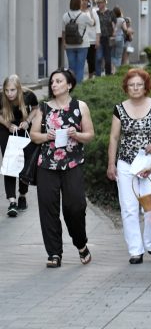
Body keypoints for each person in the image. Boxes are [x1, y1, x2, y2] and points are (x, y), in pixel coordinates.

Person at [29, 69, 95, 268]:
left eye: (58, 81)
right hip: (47, 165)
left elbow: (90, 135)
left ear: (69, 85)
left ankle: (81, 243)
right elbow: (33, 135)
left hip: (72, 163)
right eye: (52, 82)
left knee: (75, 206)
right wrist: (46, 136)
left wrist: (77, 134)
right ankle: (54, 253)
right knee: (48, 208)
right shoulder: (43, 108)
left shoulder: (80, 107)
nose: (54, 85)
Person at [106, 69, 151, 264]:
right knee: (129, 208)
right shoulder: (119, 108)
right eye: (132, 85)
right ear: (126, 87)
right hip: (126, 163)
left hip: (150, 163)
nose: (136, 88)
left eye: (139, 84)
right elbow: (114, 137)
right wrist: (111, 164)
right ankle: (135, 250)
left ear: (146, 86)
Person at [0, 75, 39, 216]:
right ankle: (12, 202)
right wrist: (8, 124)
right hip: (6, 129)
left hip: (24, 129)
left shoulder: (28, 95)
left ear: (19, 89)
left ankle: (22, 195)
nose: (9, 94)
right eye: (7, 90)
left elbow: (35, 108)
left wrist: (28, 121)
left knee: (24, 163)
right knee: (9, 163)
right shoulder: (1, 97)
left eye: (12, 90)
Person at [62, 0, 96, 83]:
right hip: (82, 44)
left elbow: (63, 31)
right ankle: (79, 87)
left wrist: (64, 43)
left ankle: (72, 85)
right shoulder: (84, 15)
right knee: (80, 67)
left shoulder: (65, 15)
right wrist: (91, 13)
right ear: (79, 4)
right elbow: (93, 23)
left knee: (71, 66)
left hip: (69, 44)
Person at [94, 0, 115, 77]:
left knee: (108, 58)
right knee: (98, 57)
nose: (99, 4)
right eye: (98, 3)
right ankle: (98, 75)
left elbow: (114, 23)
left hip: (108, 37)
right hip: (99, 37)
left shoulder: (110, 12)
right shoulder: (96, 13)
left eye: (101, 2)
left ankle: (108, 75)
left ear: (105, 3)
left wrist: (114, 32)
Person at [81, 0, 100, 79]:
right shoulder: (78, 12)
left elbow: (97, 25)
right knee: (82, 59)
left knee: (91, 59)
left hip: (91, 39)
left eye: (86, 0)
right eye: (82, 0)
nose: (84, 2)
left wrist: (97, 39)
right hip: (81, 40)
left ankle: (90, 76)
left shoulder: (92, 11)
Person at [111, 7, 130, 71]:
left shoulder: (111, 19)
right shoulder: (122, 20)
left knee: (112, 55)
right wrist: (127, 30)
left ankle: (112, 70)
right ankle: (117, 71)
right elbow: (125, 29)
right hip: (119, 38)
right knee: (118, 56)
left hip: (112, 39)